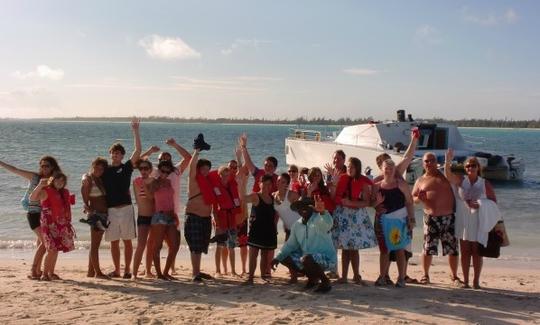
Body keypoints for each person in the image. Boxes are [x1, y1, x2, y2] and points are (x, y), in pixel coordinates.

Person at [0, 156, 62, 279]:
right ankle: (33, 270)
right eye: (42, 165)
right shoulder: (34, 177)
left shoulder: (54, 180)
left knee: (42, 242)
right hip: (34, 213)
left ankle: (44, 271)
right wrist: (1, 163)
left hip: (47, 215)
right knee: (46, 242)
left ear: (52, 167)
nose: (44, 168)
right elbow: (15, 169)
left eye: (47, 166)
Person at [445, 149, 498, 289]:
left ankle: (476, 281)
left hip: (477, 220)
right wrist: (448, 160)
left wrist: (481, 204)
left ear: (478, 168)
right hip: (463, 220)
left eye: (473, 165)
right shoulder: (461, 180)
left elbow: (494, 202)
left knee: (476, 252)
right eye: (468, 165)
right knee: (465, 251)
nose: (470, 168)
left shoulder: (484, 183)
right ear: (465, 168)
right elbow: (448, 175)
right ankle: (466, 280)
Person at [373, 129, 419, 284]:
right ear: (379, 166)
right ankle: (384, 276)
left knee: (402, 248)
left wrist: (414, 139)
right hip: (382, 218)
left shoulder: (398, 174)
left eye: (388, 162)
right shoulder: (376, 182)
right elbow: (369, 200)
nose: (386, 166)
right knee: (384, 249)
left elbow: (408, 156)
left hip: (400, 217)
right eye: (382, 164)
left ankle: (402, 276)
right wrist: (375, 206)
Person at [141, 138, 192, 275]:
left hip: (173, 211)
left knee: (173, 244)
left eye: (168, 157)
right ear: (159, 161)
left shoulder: (175, 171)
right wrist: (151, 151)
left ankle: (170, 269)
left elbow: (188, 157)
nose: (166, 159)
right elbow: (140, 161)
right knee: (152, 243)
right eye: (163, 157)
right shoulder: (156, 172)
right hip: (158, 212)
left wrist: (175, 145)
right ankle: (148, 270)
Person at [412, 152, 461, 285]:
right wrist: (418, 199)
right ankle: (425, 275)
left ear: (436, 162)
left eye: (432, 160)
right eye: (426, 161)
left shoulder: (444, 175)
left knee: (452, 248)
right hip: (430, 217)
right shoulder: (420, 180)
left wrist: (448, 162)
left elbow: (455, 179)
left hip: (448, 217)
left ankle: (454, 276)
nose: (429, 163)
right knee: (428, 248)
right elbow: (412, 199)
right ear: (423, 163)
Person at [271, 195, 336, 293]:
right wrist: (277, 258)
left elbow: (328, 224)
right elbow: (290, 245)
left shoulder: (319, 219)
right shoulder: (297, 225)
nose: (303, 209)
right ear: (297, 210)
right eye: (300, 207)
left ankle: (325, 282)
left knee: (306, 259)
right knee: (284, 257)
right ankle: (312, 278)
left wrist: (322, 212)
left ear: (312, 208)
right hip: (308, 260)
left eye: (306, 206)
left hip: (327, 259)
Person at [102, 117, 141, 279]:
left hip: (125, 208)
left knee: (127, 241)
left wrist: (135, 131)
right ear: (110, 154)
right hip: (110, 209)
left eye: (119, 153)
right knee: (113, 242)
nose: (116, 155)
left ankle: (127, 271)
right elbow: (91, 178)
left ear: (122, 155)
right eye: (113, 152)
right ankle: (117, 270)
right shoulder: (105, 170)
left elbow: (138, 151)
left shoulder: (126, 168)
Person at [238, 133, 279, 276]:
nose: (267, 167)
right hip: (257, 208)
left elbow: (281, 199)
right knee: (254, 250)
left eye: (270, 166)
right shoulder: (259, 174)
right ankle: (252, 275)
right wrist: (244, 147)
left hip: (270, 213)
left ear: (275, 168)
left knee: (268, 249)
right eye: (266, 165)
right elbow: (248, 163)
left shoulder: (277, 179)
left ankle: (266, 273)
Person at [333, 157, 377, 285]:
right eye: (348, 167)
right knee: (344, 248)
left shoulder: (363, 182)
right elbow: (334, 196)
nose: (349, 169)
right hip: (342, 215)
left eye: (352, 167)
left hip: (356, 216)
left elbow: (367, 202)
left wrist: (350, 202)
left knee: (354, 248)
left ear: (357, 168)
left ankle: (356, 275)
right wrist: (334, 183)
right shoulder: (341, 178)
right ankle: (344, 276)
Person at [30, 173, 75, 281]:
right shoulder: (46, 191)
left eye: (62, 181)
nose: (60, 183)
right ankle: (44, 274)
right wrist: (39, 185)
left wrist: (67, 224)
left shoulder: (64, 192)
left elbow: (67, 207)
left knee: (56, 249)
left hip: (60, 224)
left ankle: (50, 273)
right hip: (48, 225)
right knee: (51, 249)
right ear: (52, 181)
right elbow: (32, 198)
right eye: (57, 181)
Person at [185, 149, 214, 282]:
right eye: (203, 169)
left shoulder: (209, 182)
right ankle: (195, 273)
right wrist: (196, 152)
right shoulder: (193, 180)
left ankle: (197, 271)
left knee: (201, 247)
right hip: (194, 216)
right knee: (195, 247)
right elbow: (191, 166)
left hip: (206, 218)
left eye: (207, 169)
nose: (205, 171)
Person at [147, 160, 180, 280]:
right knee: (158, 246)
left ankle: (166, 272)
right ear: (159, 170)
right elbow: (150, 195)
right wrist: (156, 183)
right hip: (159, 216)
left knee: (174, 246)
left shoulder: (169, 182)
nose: (165, 173)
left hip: (171, 216)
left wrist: (175, 214)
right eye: (163, 171)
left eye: (168, 171)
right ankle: (159, 274)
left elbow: (170, 200)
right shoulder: (155, 182)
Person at [244, 175, 278, 284]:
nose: (267, 186)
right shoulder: (255, 196)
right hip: (256, 230)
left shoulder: (273, 198)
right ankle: (250, 278)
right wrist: (241, 183)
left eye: (269, 184)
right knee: (253, 254)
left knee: (265, 255)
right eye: (265, 183)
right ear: (260, 184)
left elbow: (276, 214)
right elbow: (243, 199)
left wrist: (275, 226)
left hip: (269, 230)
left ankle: (263, 276)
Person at [209, 165, 241, 277]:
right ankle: (218, 270)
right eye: (224, 175)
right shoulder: (216, 188)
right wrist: (217, 224)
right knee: (219, 245)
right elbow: (213, 209)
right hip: (221, 219)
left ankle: (233, 271)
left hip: (231, 219)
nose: (226, 177)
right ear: (219, 175)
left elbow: (236, 205)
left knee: (231, 246)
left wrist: (237, 222)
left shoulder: (232, 186)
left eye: (228, 175)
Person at [81, 157, 109, 279]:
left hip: (104, 214)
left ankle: (90, 271)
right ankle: (98, 272)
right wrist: (89, 210)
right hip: (96, 215)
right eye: (96, 167)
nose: (99, 170)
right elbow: (85, 198)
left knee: (95, 244)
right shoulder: (88, 179)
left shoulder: (100, 179)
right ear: (92, 166)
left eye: (101, 169)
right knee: (95, 245)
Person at [273, 173, 300, 283]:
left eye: (283, 182)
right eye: (279, 181)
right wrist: (275, 226)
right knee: (285, 253)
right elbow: (277, 214)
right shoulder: (273, 195)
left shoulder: (292, 195)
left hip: (299, 228)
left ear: (287, 184)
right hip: (288, 230)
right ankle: (294, 276)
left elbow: (303, 209)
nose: (280, 183)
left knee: (301, 253)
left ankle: (303, 276)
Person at [132, 159, 156, 280]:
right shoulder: (135, 181)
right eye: (141, 168)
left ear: (150, 170)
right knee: (141, 244)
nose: (143, 171)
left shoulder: (154, 181)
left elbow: (151, 197)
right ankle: (134, 273)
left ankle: (148, 271)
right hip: (142, 216)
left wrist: (143, 185)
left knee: (151, 244)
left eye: (146, 168)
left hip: (154, 216)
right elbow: (138, 200)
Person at [232, 150, 250, 276]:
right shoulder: (225, 180)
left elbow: (245, 169)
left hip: (242, 214)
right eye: (230, 167)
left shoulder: (241, 178)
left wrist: (239, 158)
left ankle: (244, 268)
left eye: (235, 167)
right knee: (229, 245)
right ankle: (228, 269)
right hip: (230, 216)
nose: (233, 169)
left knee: (243, 245)